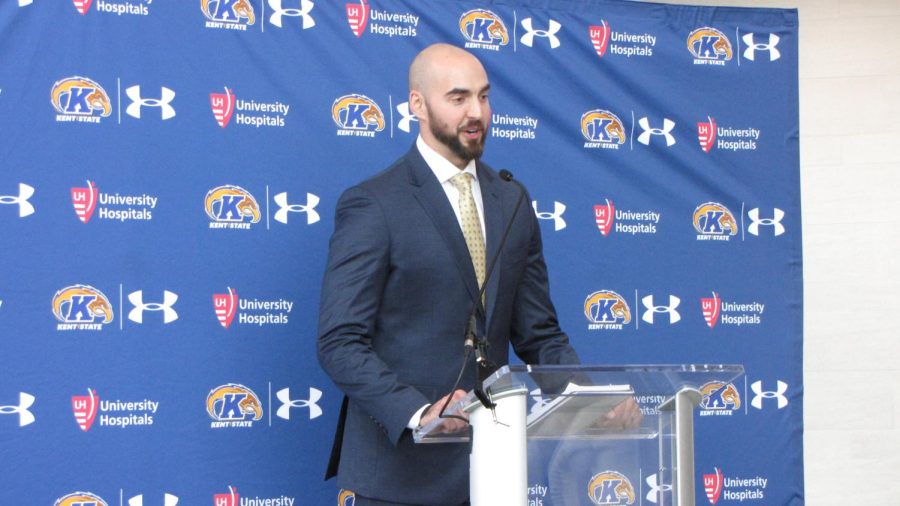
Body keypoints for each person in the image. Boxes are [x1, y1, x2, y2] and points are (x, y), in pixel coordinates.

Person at [317, 43, 639, 506]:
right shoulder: (374, 204)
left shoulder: (512, 199)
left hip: (493, 469)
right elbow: (339, 342)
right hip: (398, 479)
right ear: (416, 105)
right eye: (459, 98)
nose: (477, 112)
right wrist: (418, 411)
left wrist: (589, 399)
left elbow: (539, 334)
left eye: (484, 97)